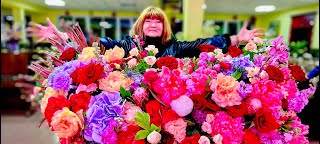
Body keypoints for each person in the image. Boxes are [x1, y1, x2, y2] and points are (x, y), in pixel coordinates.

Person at [27, 6, 264, 58]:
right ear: (141, 26)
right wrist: (63, 37)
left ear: (164, 27)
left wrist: (236, 39)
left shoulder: (175, 47)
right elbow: (97, 44)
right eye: (148, 21)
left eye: (158, 22)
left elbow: (205, 42)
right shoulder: (127, 45)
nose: (153, 24)